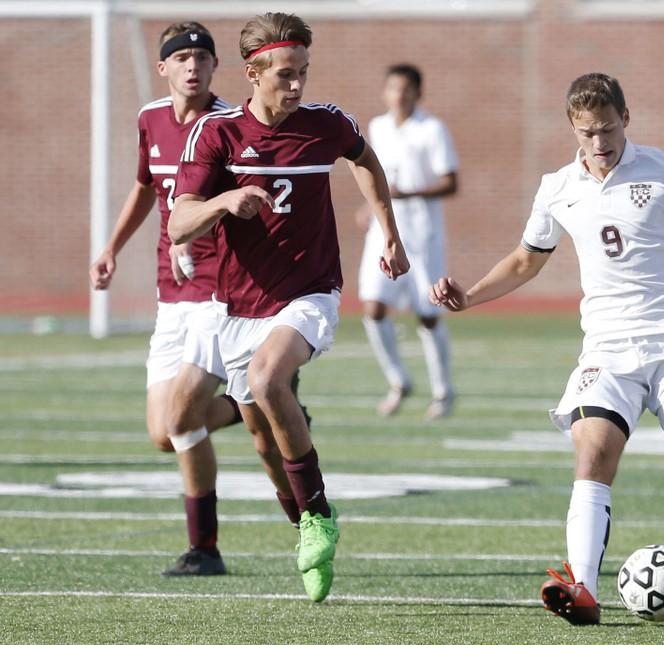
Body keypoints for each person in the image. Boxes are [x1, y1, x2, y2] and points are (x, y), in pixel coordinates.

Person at [431, 73, 664, 626]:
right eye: (587, 133)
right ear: (573, 130)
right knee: (594, 452)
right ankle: (582, 588)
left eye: (607, 129)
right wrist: (471, 296)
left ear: (625, 119)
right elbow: (525, 260)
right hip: (608, 345)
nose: (599, 142)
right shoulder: (557, 187)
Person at [169, 12, 409, 602]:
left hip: (309, 292)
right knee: (261, 441)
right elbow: (179, 221)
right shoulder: (217, 134)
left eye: (303, 72)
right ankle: (303, 519)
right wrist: (226, 200)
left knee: (269, 379)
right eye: (285, 75)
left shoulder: (326, 124)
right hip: (236, 307)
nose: (297, 85)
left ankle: (320, 514)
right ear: (253, 72)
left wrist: (391, 233)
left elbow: (367, 161)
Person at [89, 22, 300, 577]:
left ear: (214, 67)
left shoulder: (230, 128)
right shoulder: (150, 119)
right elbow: (145, 188)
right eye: (181, 58)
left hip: (217, 294)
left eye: (201, 58)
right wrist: (111, 245)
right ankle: (255, 401)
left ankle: (204, 548)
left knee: (183, 419)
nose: (192, 67)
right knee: (165, 433)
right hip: (170, 295)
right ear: (164, 69)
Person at [356, 63, 459, 419]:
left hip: (422, 236)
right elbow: (375, 177)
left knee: (427, 314)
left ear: (418, 92)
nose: (398, 95)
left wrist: (407, 193)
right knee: (372, 307)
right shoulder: (377, 127)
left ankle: (444, 391)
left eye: (405, 88)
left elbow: (451, 182)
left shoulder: (432, 129)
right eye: (392, 88)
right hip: (384, 233)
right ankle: (399, 381)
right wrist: (372, 208)